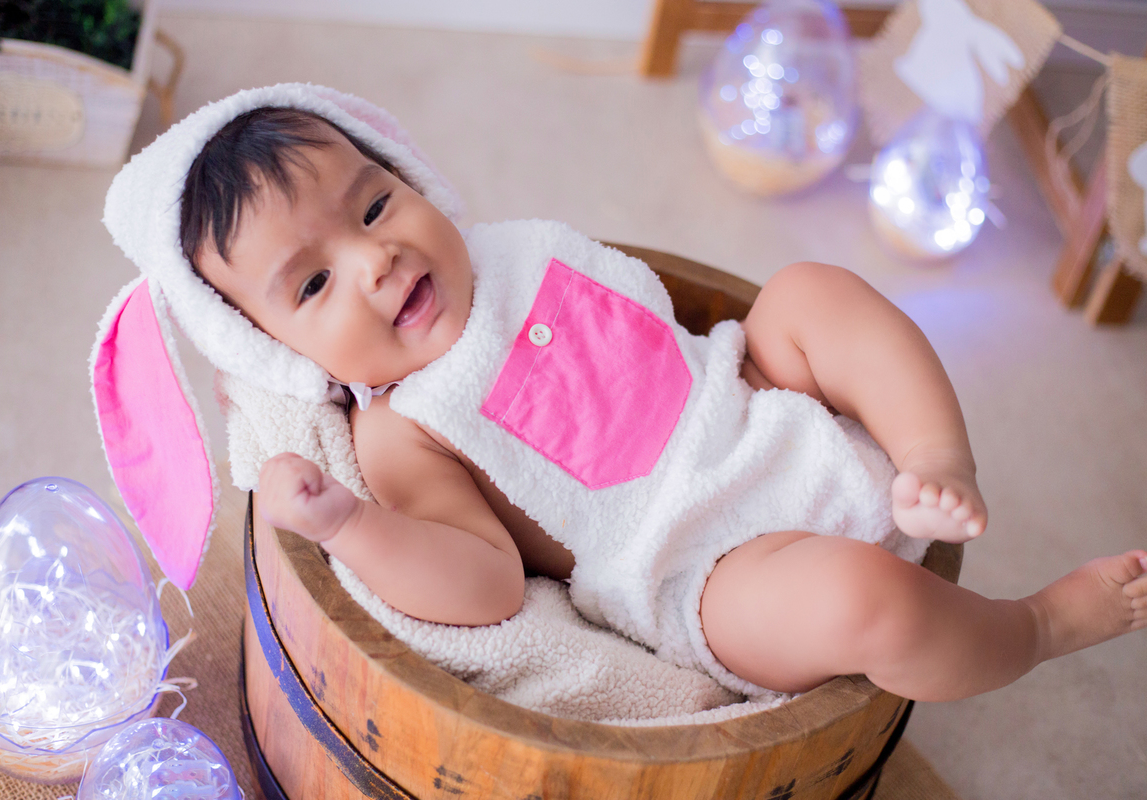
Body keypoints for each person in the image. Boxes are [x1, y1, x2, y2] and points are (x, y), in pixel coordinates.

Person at [174, 101, 1145, 705]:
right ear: (279, 349)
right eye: (312, 287)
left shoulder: (512, 252)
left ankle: (934, 455)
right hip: (702, 567)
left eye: (376, 205)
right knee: (866, 600)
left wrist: (791, 390)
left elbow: (664, 342)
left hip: (755, 400)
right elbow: (482, 581)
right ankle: (1036, 626)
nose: (375, 258)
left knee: (810, 291)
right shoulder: (399, 425)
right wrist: (348, 523)